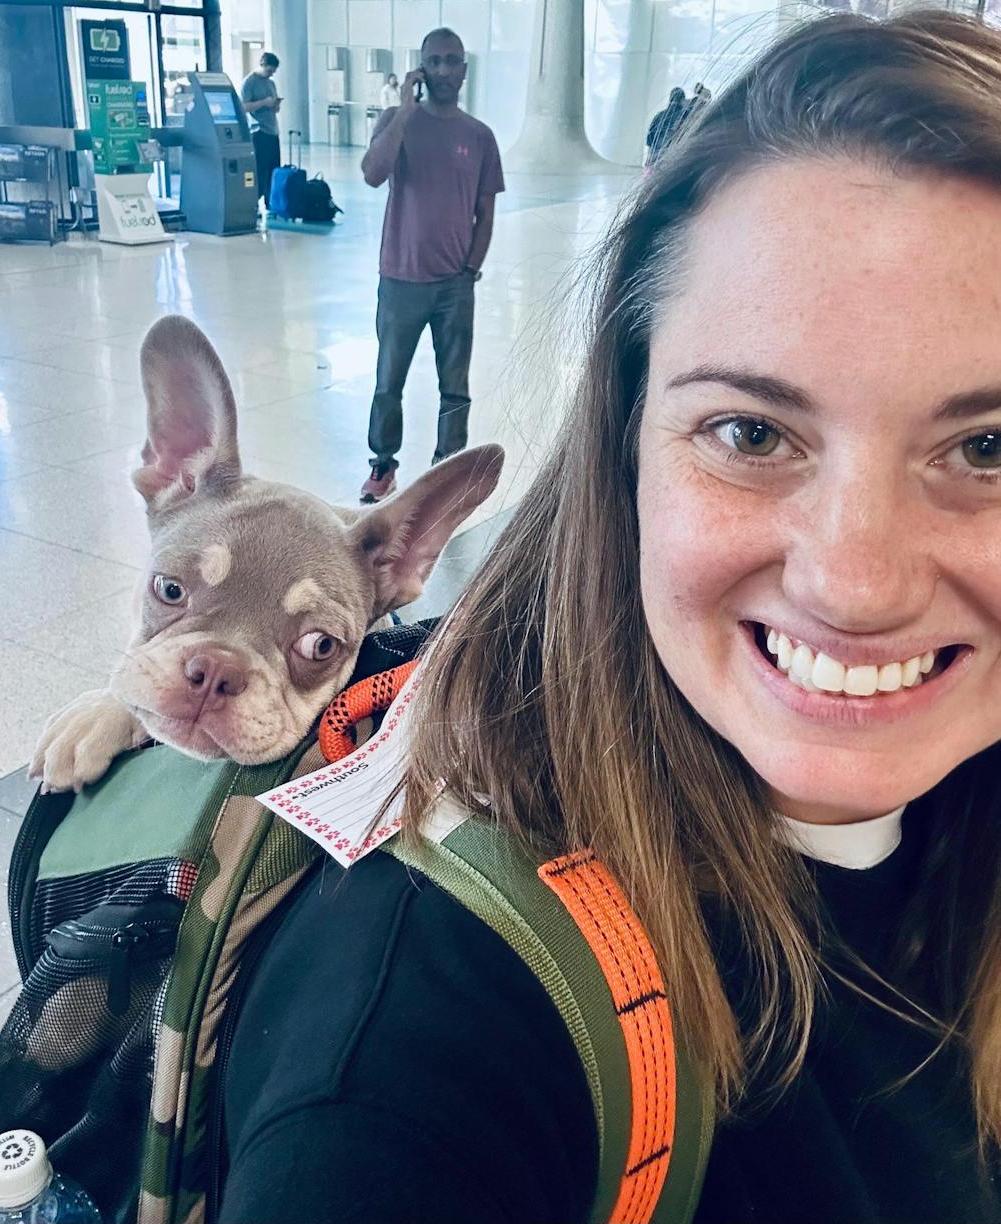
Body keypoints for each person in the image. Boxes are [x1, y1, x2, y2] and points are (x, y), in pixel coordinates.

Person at [216, 12, 1001, 1222]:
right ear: (623, 445)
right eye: (750, 433)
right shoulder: (421, 1045)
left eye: (986, 448)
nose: (855, 585)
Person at [358, 27, 505, 504]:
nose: (443, 70)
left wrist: (470, 269)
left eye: (451, 61)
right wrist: (404, 108)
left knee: (454, 387)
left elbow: (486, 212)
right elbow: (372, 173)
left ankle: (447, 469)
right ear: (421, 68)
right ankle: (383, 465)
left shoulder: (480, 137)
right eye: (434, 61)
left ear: (464, 70)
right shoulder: (396, 121)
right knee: (388, 382)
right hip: (400, 279)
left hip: (454, 287)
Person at [240, 52, 281, 209]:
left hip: (272, 130)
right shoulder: (249, 82)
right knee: (259, 169)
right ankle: (253, 201)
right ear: (262, 65)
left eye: (273, 72)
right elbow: (244, 107)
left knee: (273, 169)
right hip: (258, 131)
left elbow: (274, 106)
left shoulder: (271, 84)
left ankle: (271, 202)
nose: (271, 74)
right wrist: (264, 102)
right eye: (269, 70)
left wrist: (275, 105)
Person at [644, 86, 687, 166]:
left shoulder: (658, 116)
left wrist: (649, 159)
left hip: (655, 158)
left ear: (670, 99)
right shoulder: (685, 115)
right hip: (673, 159)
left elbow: (650, 140)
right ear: (682, 100)